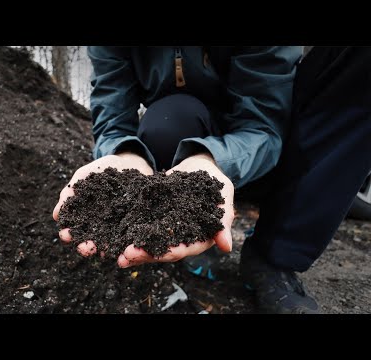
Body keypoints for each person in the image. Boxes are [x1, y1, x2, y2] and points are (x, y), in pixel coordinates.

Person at [53, 46, 370, 313]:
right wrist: (126, 156)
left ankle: (274, 256)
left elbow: (263, 125)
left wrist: (214, 159)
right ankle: (194, 235)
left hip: (272, 139)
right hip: (187, 138)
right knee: (169, 119)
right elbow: (111, 116)